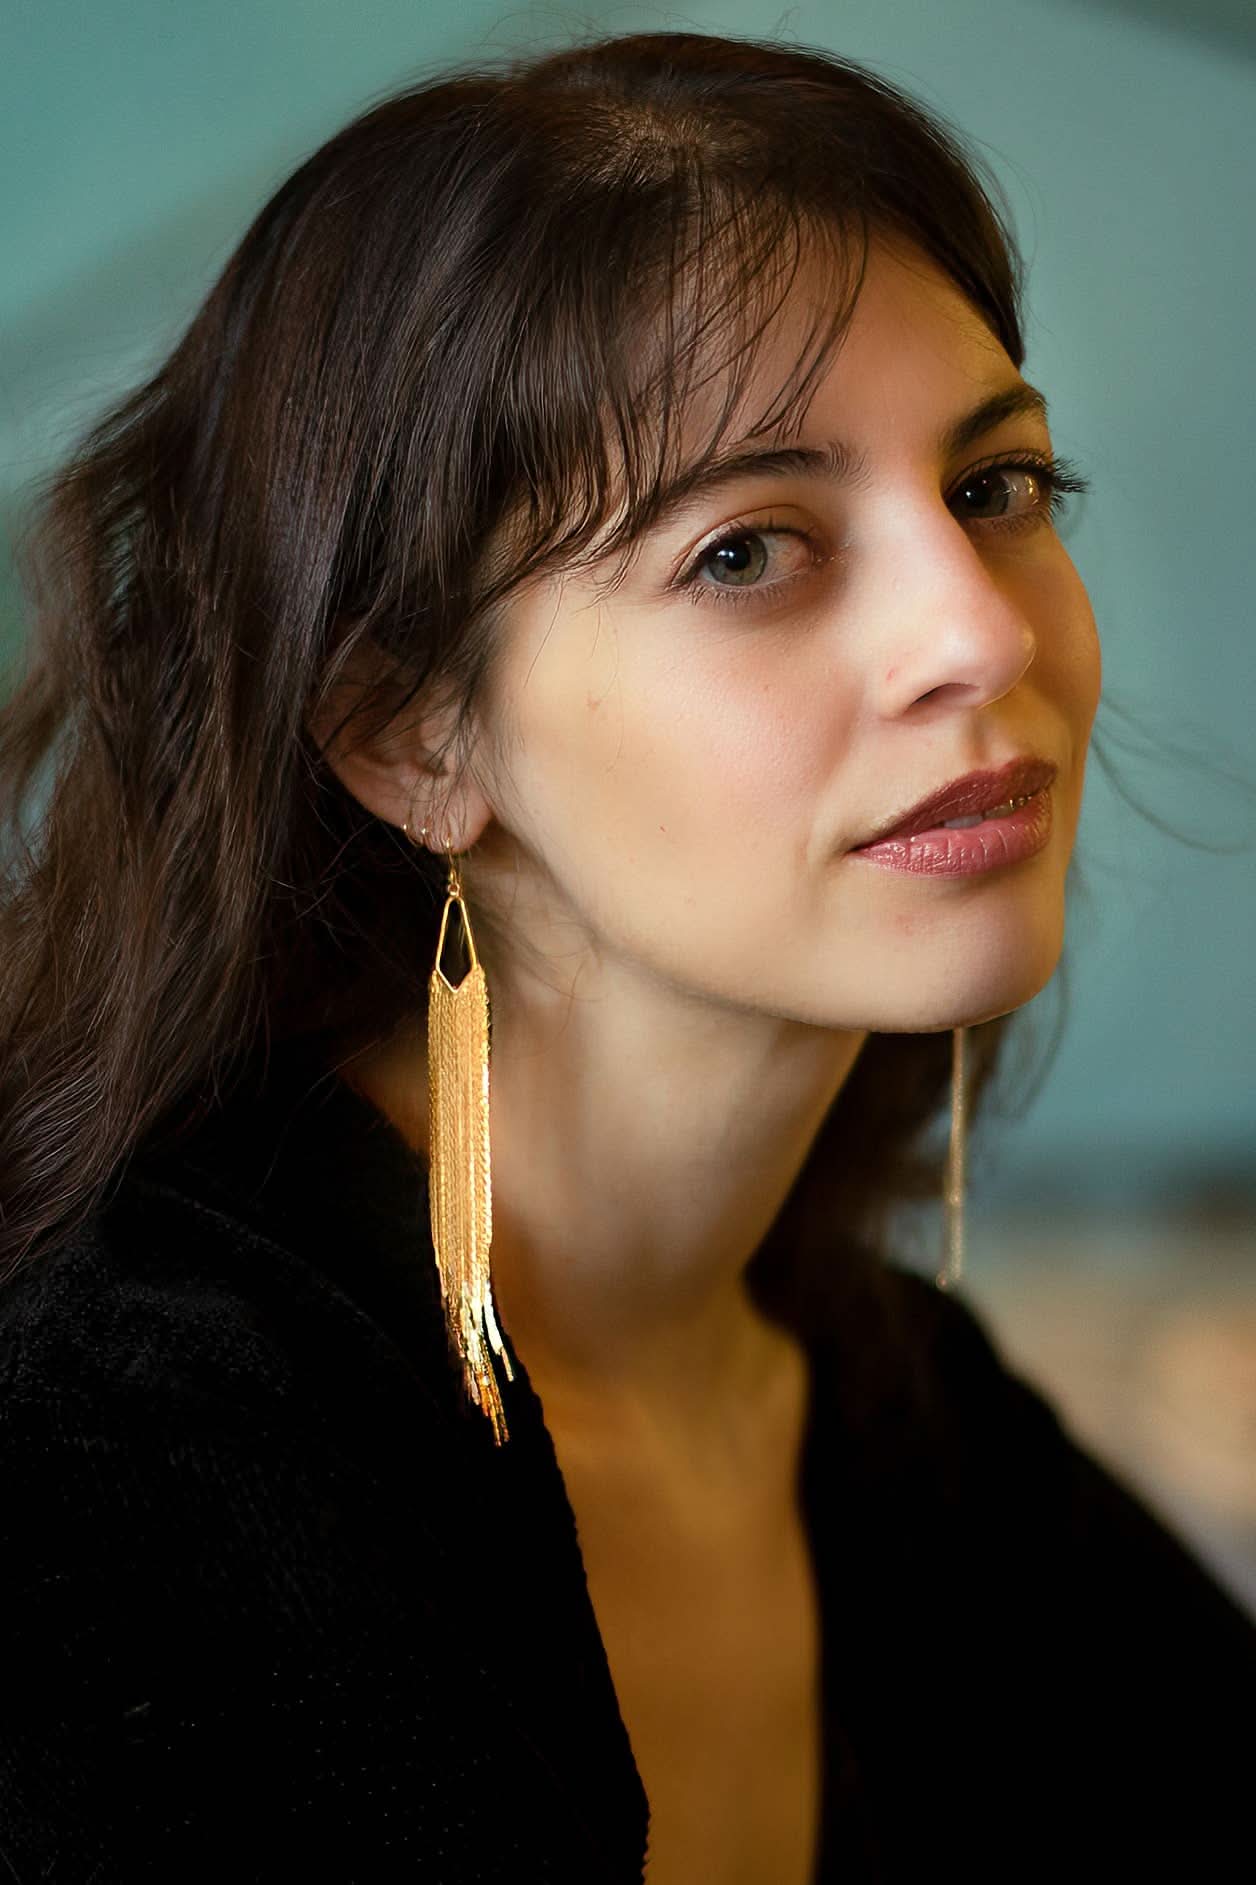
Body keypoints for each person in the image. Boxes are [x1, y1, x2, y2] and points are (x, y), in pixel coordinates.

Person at [0, 26, 1251, 1884]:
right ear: (412, 734)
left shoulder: (912, 1430)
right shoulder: (100, 1471)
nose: (980, 637)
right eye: (750, 550)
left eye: (995, 488)